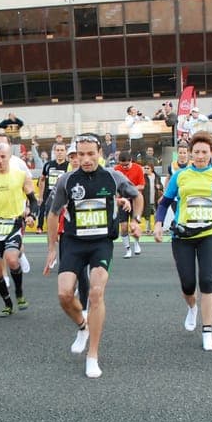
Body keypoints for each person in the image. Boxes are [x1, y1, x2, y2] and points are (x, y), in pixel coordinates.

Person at [44, 134, 142, 378]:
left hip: (101, 242)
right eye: (80, 154)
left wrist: (137, 220)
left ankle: (92, 356)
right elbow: (53, 214)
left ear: (100, 152)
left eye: (90, 154)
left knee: (96, 292)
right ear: (75, 154)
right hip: (74, 242)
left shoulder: (113, 176)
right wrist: (51, 248)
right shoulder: (67, 180)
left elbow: (137, 196)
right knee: (64, 294)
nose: (85, 159)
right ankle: (82, 326)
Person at [155, 132, 212, 351]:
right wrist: (158, 223)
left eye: (205, 152)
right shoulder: (180, 176)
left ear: (211, 154)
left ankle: (207, 331)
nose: (200, 156)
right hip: (183, 236)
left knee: (207, 282)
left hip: (209, 234)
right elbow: (164, 203)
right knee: (188, 284)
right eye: (197, 152)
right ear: (190, 153)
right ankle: (192, 308)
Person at [0, 141, 37, 316]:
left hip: (14, 222)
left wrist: (32, 215)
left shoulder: (20, 175)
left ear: (10, 157)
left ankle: (19, 293)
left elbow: (33, 201)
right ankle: (7, 303)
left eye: (3, 156)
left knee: (12, 259)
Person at [113, 152, 144, 258]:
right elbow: (114, 187)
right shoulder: (116, 169)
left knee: (134, 225)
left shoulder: (138, 168)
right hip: (122, 200)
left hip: (135, 199)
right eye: (122, 165)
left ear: (131, 160)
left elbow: (142, 185)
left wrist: (130, 190)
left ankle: (136, 243)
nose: (125, 167)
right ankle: (127, 249)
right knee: (124, 226)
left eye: (127, 165)